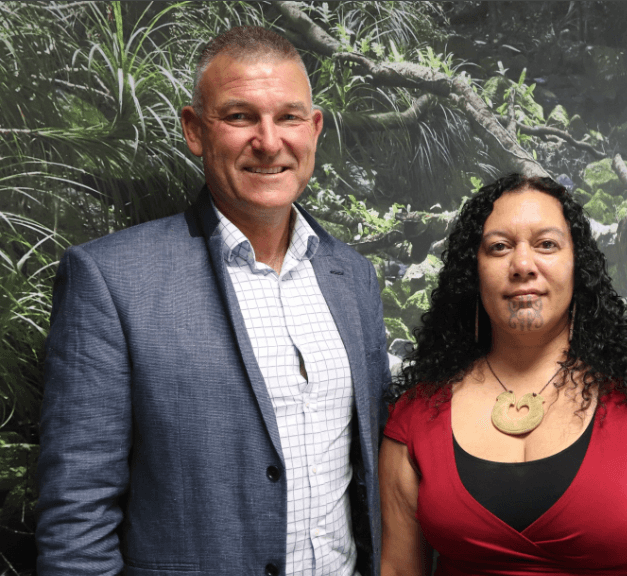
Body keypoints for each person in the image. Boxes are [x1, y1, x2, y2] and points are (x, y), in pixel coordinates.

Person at [36, 26, 390, 576]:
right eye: (240, 116)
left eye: (289, 117)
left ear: (314, 129)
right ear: (195, 130)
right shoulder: (110, 279)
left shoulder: (355, 279)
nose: (269, 142)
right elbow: (77, 514)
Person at [380, 173, 627, 575]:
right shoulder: (414, 417)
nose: (523, 264)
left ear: (577, 264)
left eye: (547, 244)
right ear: (471, 270)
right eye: (499, 247)